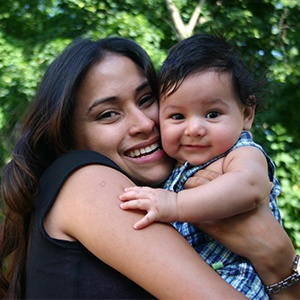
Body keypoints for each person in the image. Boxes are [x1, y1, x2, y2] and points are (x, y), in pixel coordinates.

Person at [0, 36, 298, 300]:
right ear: (68, 137)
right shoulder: (84, 178)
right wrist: (277, 259)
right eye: (108, 115)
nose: (144, 124)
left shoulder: (200, 180)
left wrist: (279, 264)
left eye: (146, 100)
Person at [119, 33, 300, 299]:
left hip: (238, 278)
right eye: (177, 116)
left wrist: (175, 204)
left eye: (212, 114)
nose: (194, 129)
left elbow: (249, 186)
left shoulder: (243, 152)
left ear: (246, 114)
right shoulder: (175, 170)